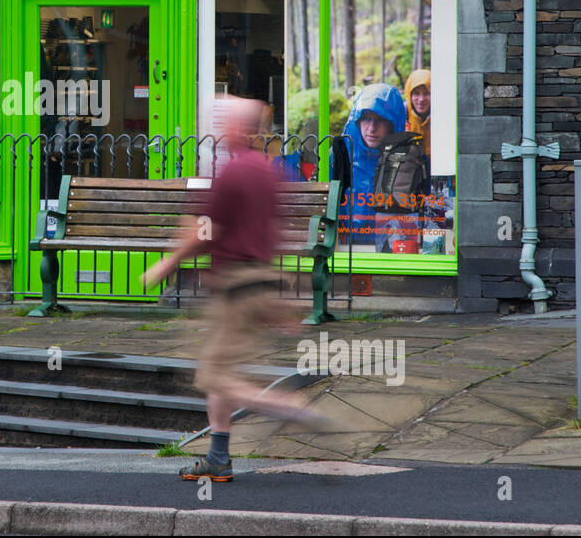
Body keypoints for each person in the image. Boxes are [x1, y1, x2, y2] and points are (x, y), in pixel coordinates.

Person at [141, 96, 334, 483]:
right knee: (221, 368)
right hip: (260, 282)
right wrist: (281, 303)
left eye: (223, 120)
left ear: (239, 129)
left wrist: (168, 262)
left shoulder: (233, 173)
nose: (218, 127)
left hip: (236, 289)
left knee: (214, 376)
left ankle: (289, 407)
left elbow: (205, 229)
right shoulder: (265, 171)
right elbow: (271, 233)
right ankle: (218, 456)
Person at [335, 83, 407, 250]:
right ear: (357, 120)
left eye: (380, 120)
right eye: (366, 118)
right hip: (347, 254)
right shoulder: (342, 155)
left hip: (391, 255)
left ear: (392, 124)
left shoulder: (408, 160)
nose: (372, 128)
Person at [404, 69, 432, 159]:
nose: (421, 99)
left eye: (426, 93)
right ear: (409, 95)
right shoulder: (403, 114)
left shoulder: (442, 114)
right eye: (416, 93)